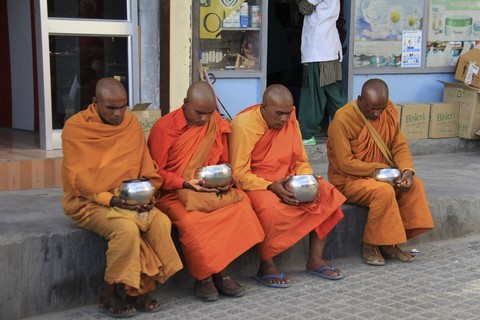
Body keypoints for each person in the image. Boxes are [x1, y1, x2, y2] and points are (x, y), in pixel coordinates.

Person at [61, 77, 183, 318]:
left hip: (129, 196)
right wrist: (114, 201)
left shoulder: (131, 124)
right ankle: (108, 290)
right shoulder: (76, 127)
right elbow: (79, 181)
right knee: (126, 229)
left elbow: (146, 167)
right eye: (111, 108)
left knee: (159, 221)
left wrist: (148, 194)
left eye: (123, 106)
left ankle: (138, 288)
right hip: (89, 202)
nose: (118, 113)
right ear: (95, 103)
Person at [148, 81, 265, 301]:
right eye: (199, 113)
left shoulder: (215, 124)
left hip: (208, 189)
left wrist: (224, 181)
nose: (204, 119)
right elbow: (155, 173)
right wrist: (184, 183)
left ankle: (221, 270)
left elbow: (224, 163)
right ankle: (204, 278)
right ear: (185, 104)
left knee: (241, 206)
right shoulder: (164, 128)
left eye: (209, 113)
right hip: (174, 193)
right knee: (194, 223)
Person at [229, 84, 346, 288]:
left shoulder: (290, 119)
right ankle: (266, 266)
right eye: (279, 114)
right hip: (257, 183)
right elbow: (239, 174)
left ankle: (315, 259)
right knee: (268, 209)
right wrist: (270, 186)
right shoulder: (244, 125)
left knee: (325, 193)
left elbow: (300, 159)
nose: (284, 119)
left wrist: (306, 181)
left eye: (288, 113)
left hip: (287, 177)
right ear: (264, 107)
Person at [326, 78, 435, 266]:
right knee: (383, 192)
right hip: (349, 180)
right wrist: (378, 169)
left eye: (381, 109)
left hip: (380, 176)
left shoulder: (389, 111)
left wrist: (407, 170)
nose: (377, 114)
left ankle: (391, 242)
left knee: (414, 185)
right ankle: (371, 245)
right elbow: (345, 163)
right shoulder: (343, 119)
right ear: (360, 100)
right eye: (372, 109)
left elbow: (398, 145)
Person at [297, 0, 348, 145]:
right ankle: (353, 127)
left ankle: (306, 134)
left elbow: (304, 8)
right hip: (328, 49)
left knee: (313, 94)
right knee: (334, 94)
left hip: (319, 50)